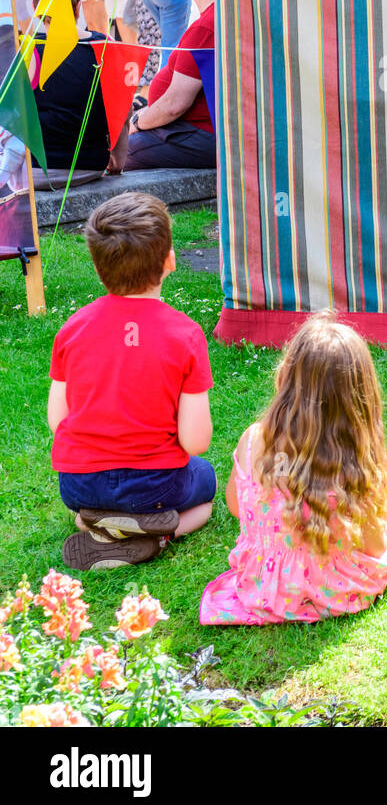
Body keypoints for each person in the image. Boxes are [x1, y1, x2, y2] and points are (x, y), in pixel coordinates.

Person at [200, 312, 387, 625]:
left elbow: (235, 506)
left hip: (263, 590)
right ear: (359, 398)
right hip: (334, 592)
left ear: (286, 377)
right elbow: (376, 547)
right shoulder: (351, 461)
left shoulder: (253, 440)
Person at [48, 193, 216, 571]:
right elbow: (196, 441)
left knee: (83, 513)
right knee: (205, 488)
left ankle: (101, 527)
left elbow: (58, 420)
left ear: (97, 265)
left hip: (79, 486)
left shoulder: (72, 329)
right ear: (169, 259)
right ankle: (156, 536)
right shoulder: (186, 335)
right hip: (156, 487)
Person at [121, 0, 216, 170]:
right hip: (196, 129)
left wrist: (137, 122)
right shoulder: (220, 15)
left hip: (202, 134)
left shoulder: (205, 27)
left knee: (122, 151)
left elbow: (175, 104)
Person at [28, 0, 112, 187]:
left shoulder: (29, 50)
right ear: (77, 8)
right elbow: (120, 108)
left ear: (36, 9)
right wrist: (119, 160)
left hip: (36, 170)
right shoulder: (103, 46)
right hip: (92, 166)